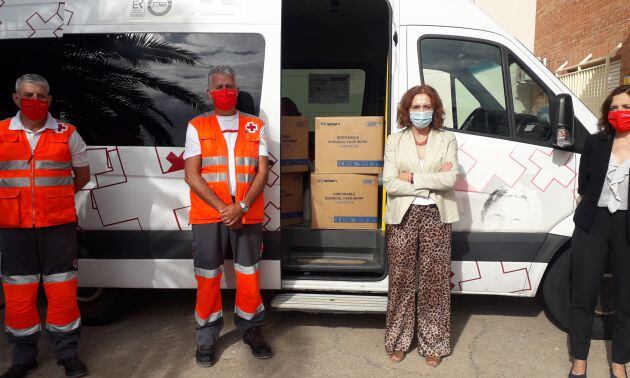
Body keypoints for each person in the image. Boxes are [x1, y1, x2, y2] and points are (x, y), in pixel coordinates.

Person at [0, 74, 90, 378]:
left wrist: (57, 198)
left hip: (58, 226)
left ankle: (67, 353)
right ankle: (23, 356)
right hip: (14, 228)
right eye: (29, 95)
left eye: (41, 96)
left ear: (49, 100)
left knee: (63, 290)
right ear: (16, 98)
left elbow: (82, 175)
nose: (35, 101)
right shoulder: (0, 132)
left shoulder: (68, 133)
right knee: (18, 293)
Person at [183, 65, 272, 367]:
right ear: (209, 92)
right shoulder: (197, 125)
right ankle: (207, 336)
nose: (225, 91)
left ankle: (251, 329)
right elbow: (192, 176)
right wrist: (225, 208)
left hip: (248, 213)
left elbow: (262, 171)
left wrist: (242, 206)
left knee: (249, 275)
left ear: (237, 90)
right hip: (210, 215)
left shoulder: (255, 125)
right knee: (208, 276)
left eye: (230, 86)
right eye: (219, 87)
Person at [382, 85, 459, 367]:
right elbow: (389, 182)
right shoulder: (395, 140)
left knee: (435, 282)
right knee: (401, 280)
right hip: (403, 216)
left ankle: (433, 343)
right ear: (407, 110)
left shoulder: (447, 139)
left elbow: (451, 179)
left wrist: (413, 178)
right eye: (416, 107)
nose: (422, 112)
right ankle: (398, 341)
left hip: (437, 217)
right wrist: (431, 181)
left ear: (435, 110)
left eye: (427, 106)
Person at [570, 85, 630, 378]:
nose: (620, 113)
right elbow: (584, 185)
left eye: (626, 107)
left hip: (627, 227)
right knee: (584, 292)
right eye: (615, 107)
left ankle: (619, 361)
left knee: (626, 297)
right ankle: (579, 359)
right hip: (593, 223)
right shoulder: (596, 143)